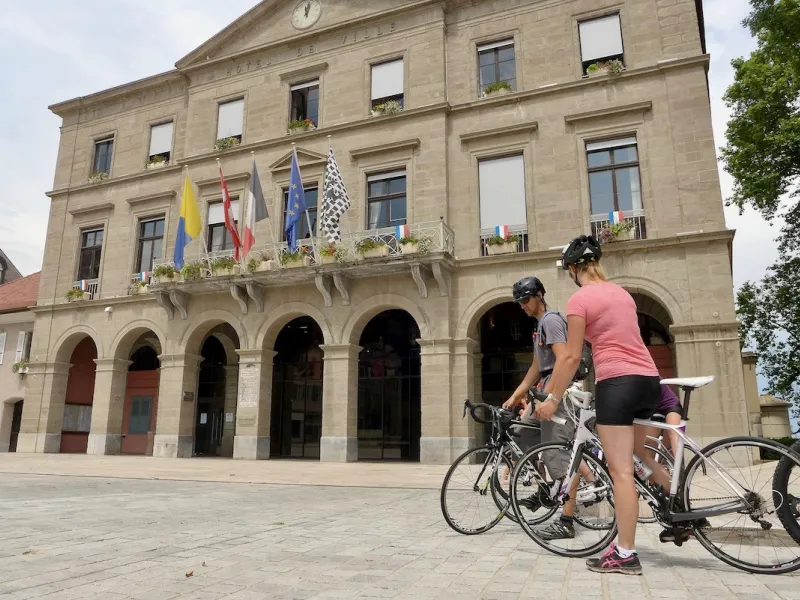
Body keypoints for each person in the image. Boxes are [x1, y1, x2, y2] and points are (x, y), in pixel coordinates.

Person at [535, 235, 670, 575]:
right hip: (649, 381)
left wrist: (552, 399)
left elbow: (570, 357)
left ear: (571, 269)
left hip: (618, 383)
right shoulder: (622, 294)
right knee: (643, 456)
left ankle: (624, 554)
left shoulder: (579, 300)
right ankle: (680, 510)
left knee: (620, 472)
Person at [503, 276, 588, 540]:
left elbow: (563, 358)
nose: (522, 306)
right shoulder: (540, 326)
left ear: (540, 295)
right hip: (544, 389)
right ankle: (550, 488)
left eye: (526, 300)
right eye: (519, 302)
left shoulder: (550, 320)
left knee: (558, 456)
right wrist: (516, 395)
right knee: (521, 432)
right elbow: (536, 366)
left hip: (556, 394)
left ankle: (566, 520)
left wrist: (551, 397)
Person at [649, 385, 682, 456]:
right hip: (654, 409)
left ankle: (680, 465)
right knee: (648, 443)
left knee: (673, 433)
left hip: (671, 405)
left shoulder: (649, 377)